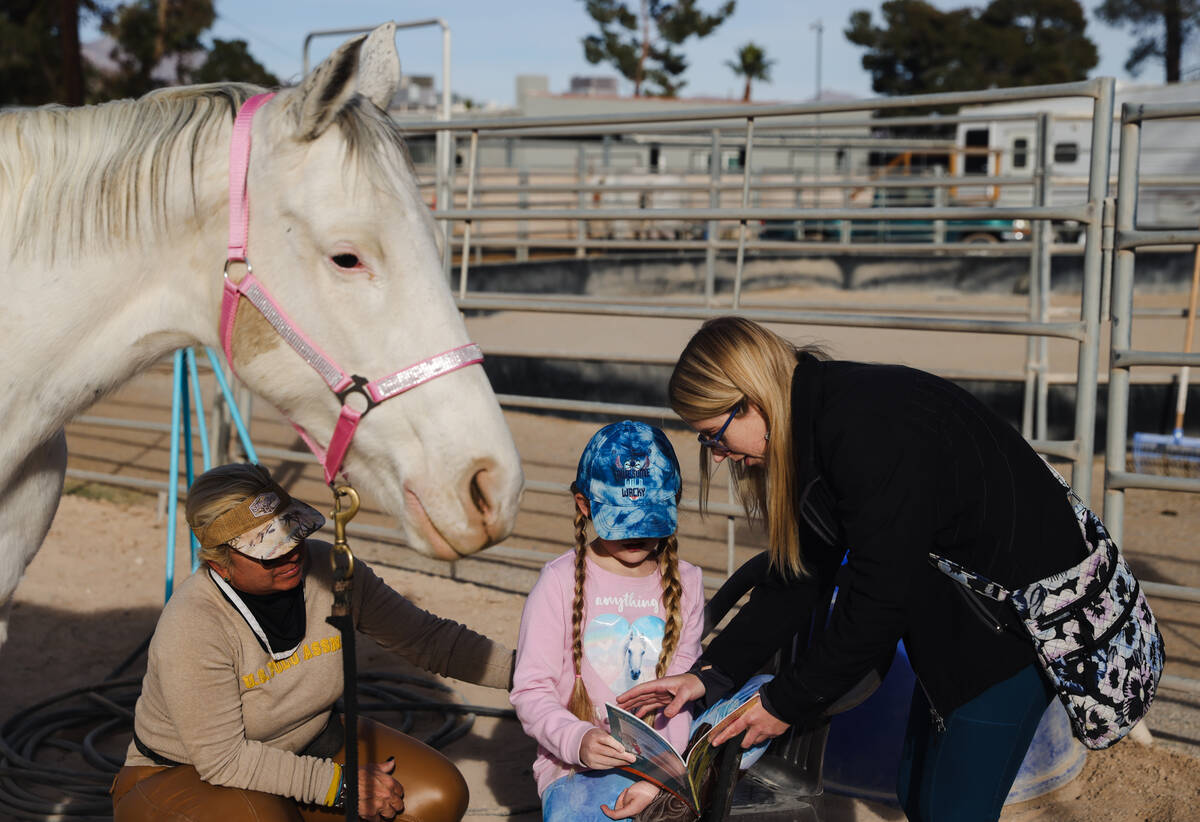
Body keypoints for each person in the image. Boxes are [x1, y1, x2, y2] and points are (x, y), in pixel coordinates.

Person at [617, 316, 1090, 822]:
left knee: (954, 811)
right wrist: (710, 676)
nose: (718, 457)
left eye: (715, 436)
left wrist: (783, 703)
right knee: (918, 796)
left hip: (1016, 631)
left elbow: (879, 596)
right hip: (958, 621)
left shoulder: (864, 430)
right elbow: (801, 574)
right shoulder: (815, 424)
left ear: (750, 400)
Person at [110, 462, 514, 822]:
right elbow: (224, 760)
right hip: (186, 774)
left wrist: (530, 671)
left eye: (293, 534)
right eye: (269, 551)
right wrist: (340, 786)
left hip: (312, 743)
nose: (290, 554)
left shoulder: (330, 569)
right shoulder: (195, 624)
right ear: (220, 563)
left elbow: (428, 639)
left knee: (438, 796)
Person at [509, 421, 706, 821]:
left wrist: (659, 777)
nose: (636, 535)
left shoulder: (688, 582)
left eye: (648, 519)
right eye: (622, 520)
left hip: (662, 768)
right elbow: (531, 689)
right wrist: (578, 740)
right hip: (574, 766)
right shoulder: (559, 582)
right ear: (585, 505)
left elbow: (681, 695)